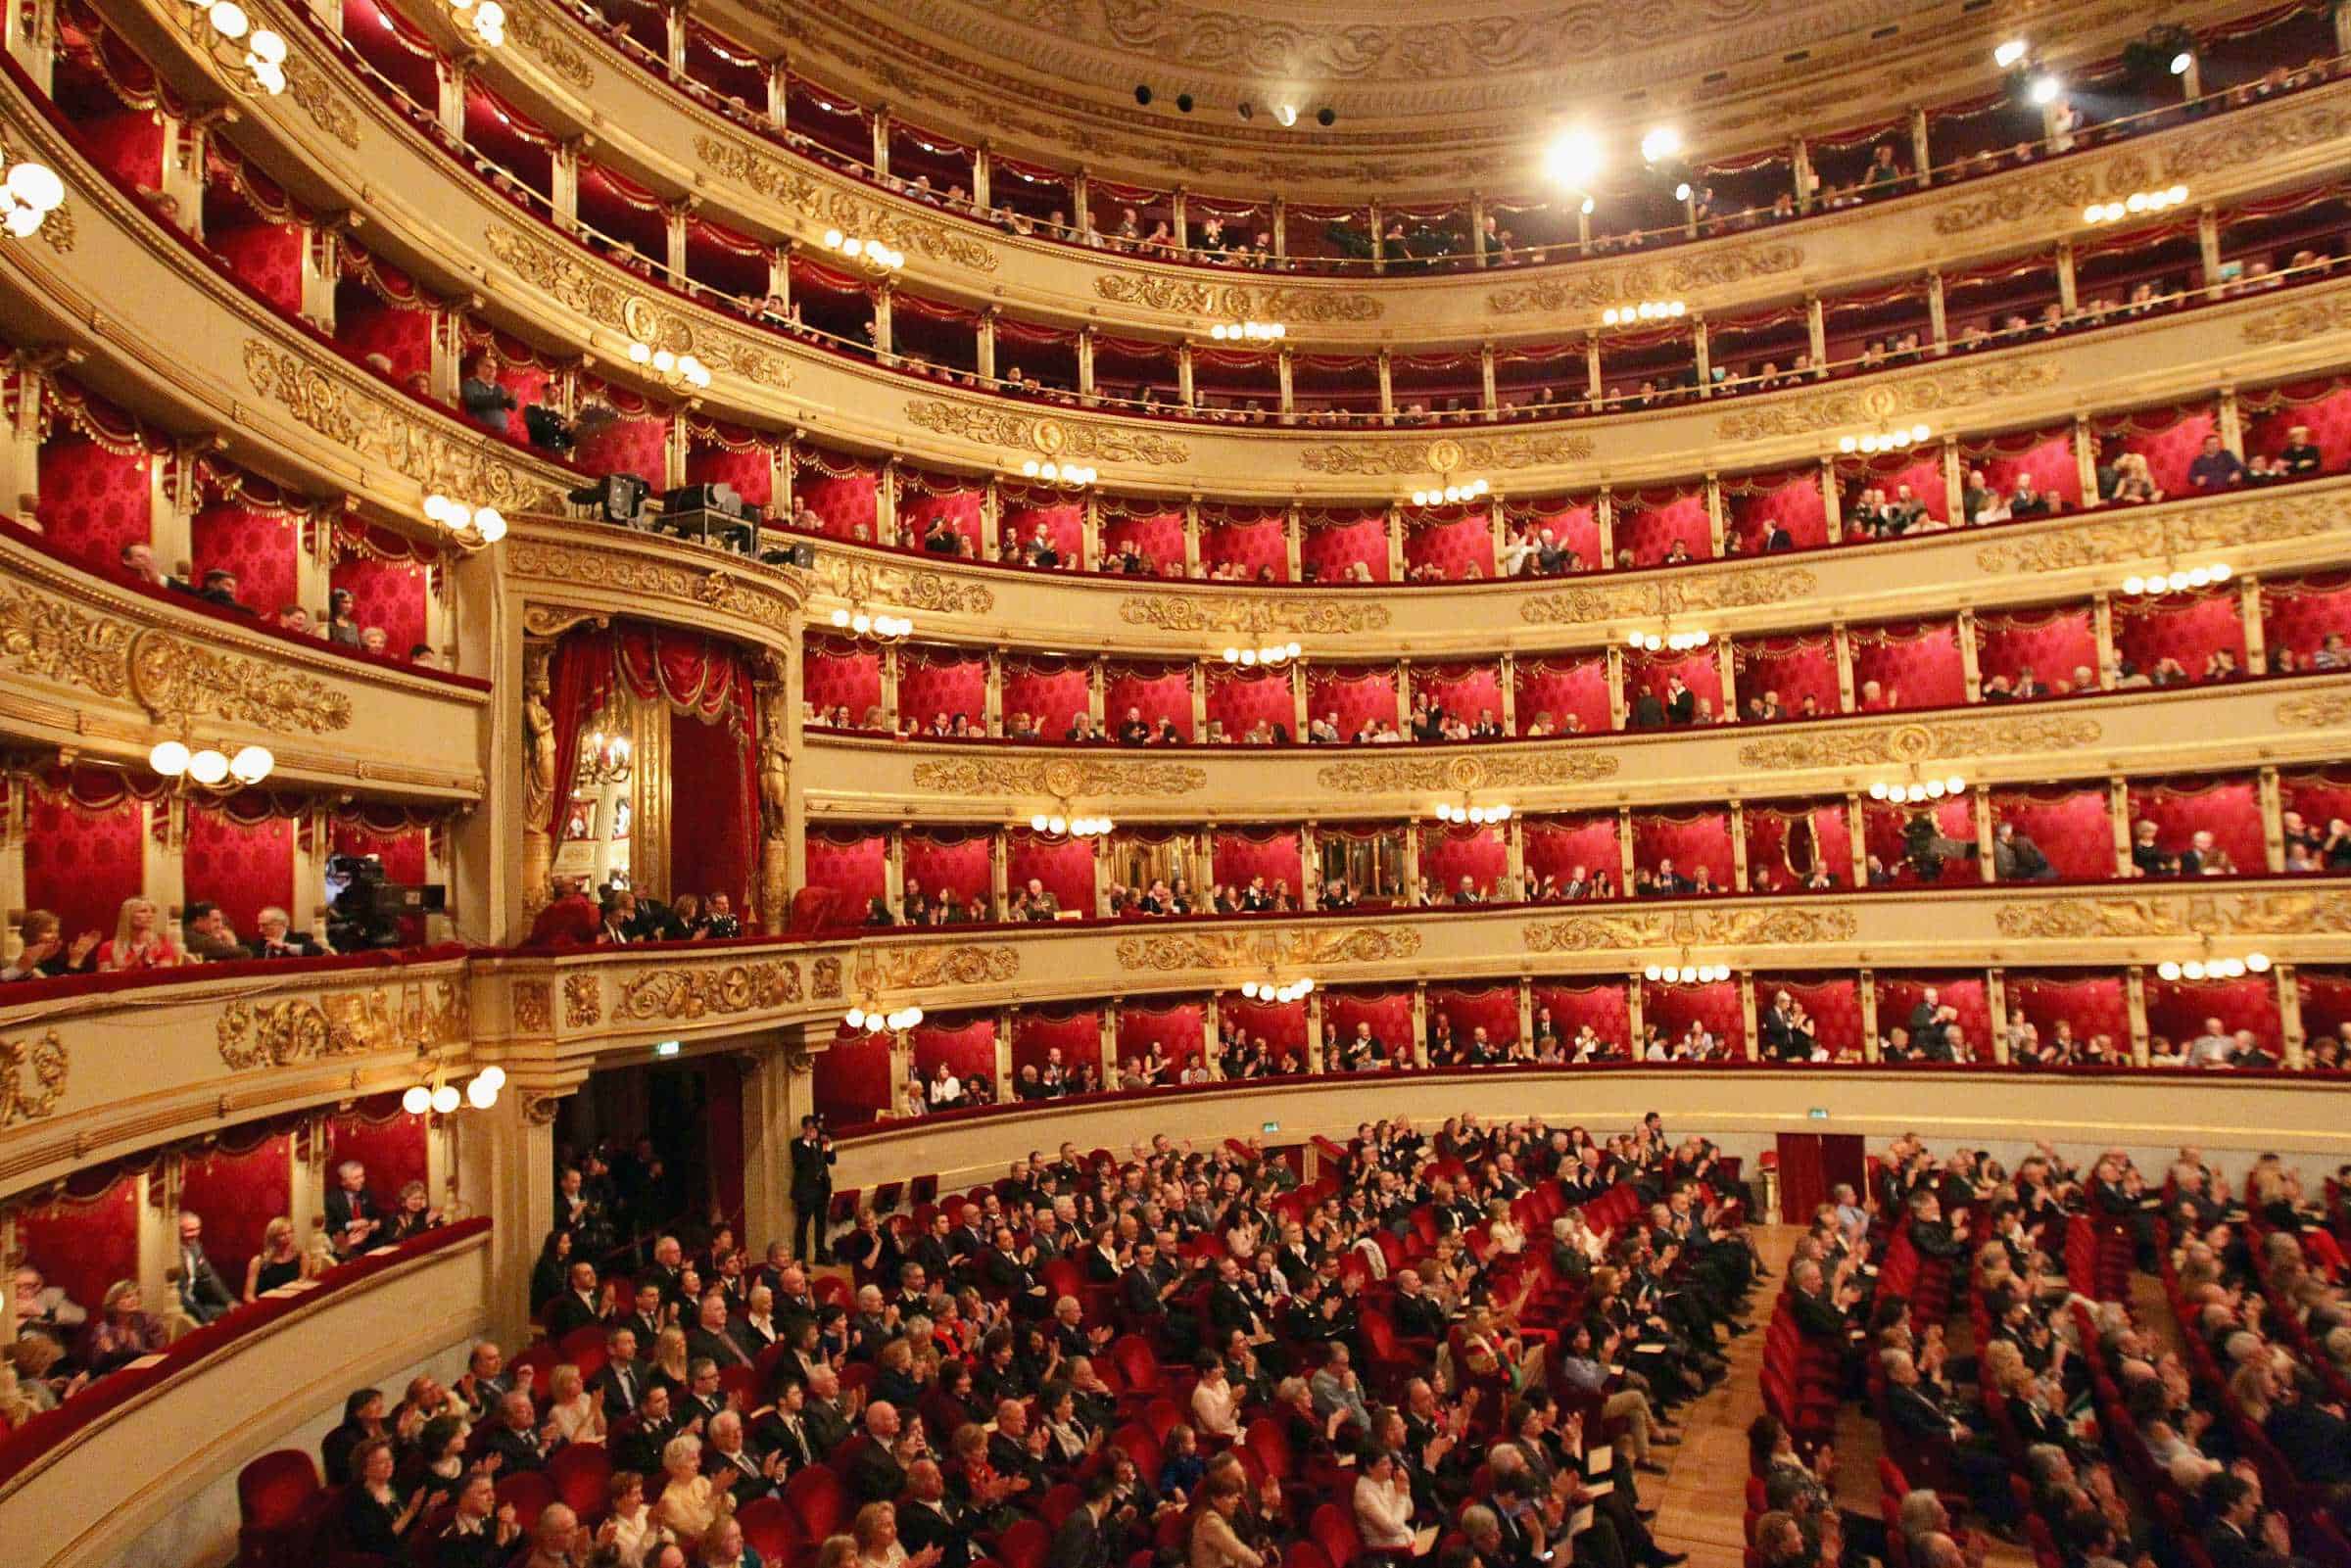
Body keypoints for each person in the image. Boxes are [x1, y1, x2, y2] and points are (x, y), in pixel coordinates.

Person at [173, 1211, 237, 1324]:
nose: (195, 1233)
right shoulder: (172, 1253)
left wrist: (229, 1301)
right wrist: (204, 1317)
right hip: (180, 1306)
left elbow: (209, 1277)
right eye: (190, 1230)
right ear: (178, 1231)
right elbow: (179, 1292)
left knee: (231, 1315)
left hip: (195, 1302)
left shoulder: (196, 1247)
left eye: (197, 1229)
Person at [3, 909, 100, 979]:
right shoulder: (18, 960)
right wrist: (75, 961)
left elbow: (71, 989)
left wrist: (77, 957)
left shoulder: (57, 961)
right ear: (31, 934)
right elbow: (57, 990)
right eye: (48, 931)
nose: (55, 936)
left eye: (56, 931)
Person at [792, 1114, 837, 1259]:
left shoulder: (821, 1143)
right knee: (803, 1226)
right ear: (804, 1129)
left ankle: (820, 1253)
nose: (813, 1131)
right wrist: (807, 1141)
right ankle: (801, 1258)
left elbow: (832, 1160)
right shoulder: (797, 1144)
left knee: (821, 1223)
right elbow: (800, 1163)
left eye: (815, 1128)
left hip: (822, 1189)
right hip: (806, 1191)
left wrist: (828, 1144)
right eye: (810, 1128)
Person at [95, 896, 179, 972]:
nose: (150, 915)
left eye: (152, 911)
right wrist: (130, 968)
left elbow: (163, 976)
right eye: (143, 911)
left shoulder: (163, 945)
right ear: (128, 916)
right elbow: (104, 980)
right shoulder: (108, 947)